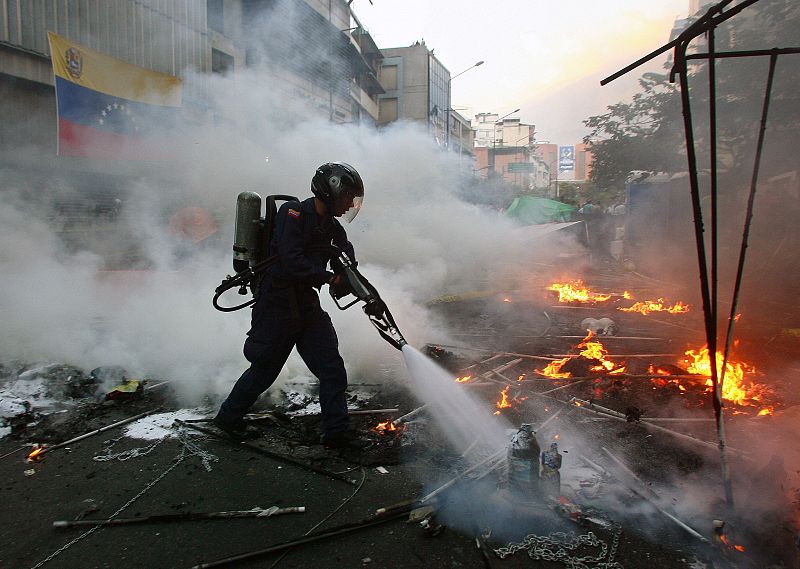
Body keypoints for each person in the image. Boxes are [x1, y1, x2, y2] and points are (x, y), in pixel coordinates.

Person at [214, 162, 365, 449]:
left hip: (306, 304)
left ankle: (337, 433)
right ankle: (227, 419)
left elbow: (344, 251)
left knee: (331, 367)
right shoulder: (293, 213)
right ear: (330, 191)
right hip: (277, 303)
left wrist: (349, 271)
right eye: (347, 197)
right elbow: (290, 259)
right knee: (265, 369)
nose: (349, 205)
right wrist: (328, 278)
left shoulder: (330, 227)